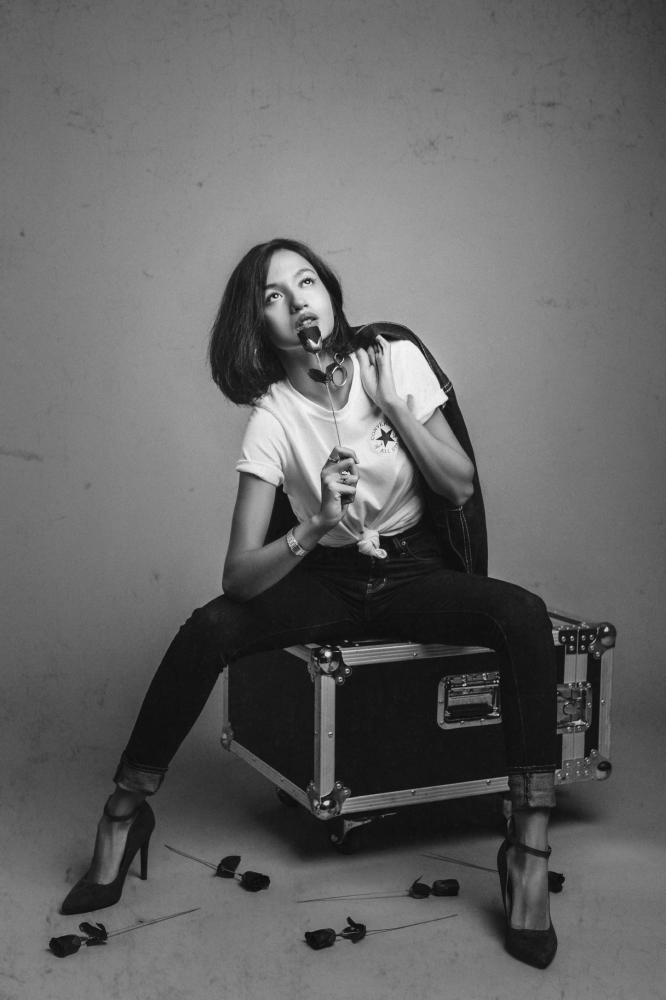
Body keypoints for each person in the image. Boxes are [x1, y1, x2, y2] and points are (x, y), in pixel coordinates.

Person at [61, 238, 558, 969]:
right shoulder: (272, 417)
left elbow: (458, 485)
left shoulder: (393, 359)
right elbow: (238, 577)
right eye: (274, 295)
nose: (298, 301)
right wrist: (317, 524)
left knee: (524, 616)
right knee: (208, 629)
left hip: (415, 571)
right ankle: (122, 815)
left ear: (328, 293)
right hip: (329, 578)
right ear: (259, 325)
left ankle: (527, 852)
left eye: (307, 282)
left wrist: (395, 409)